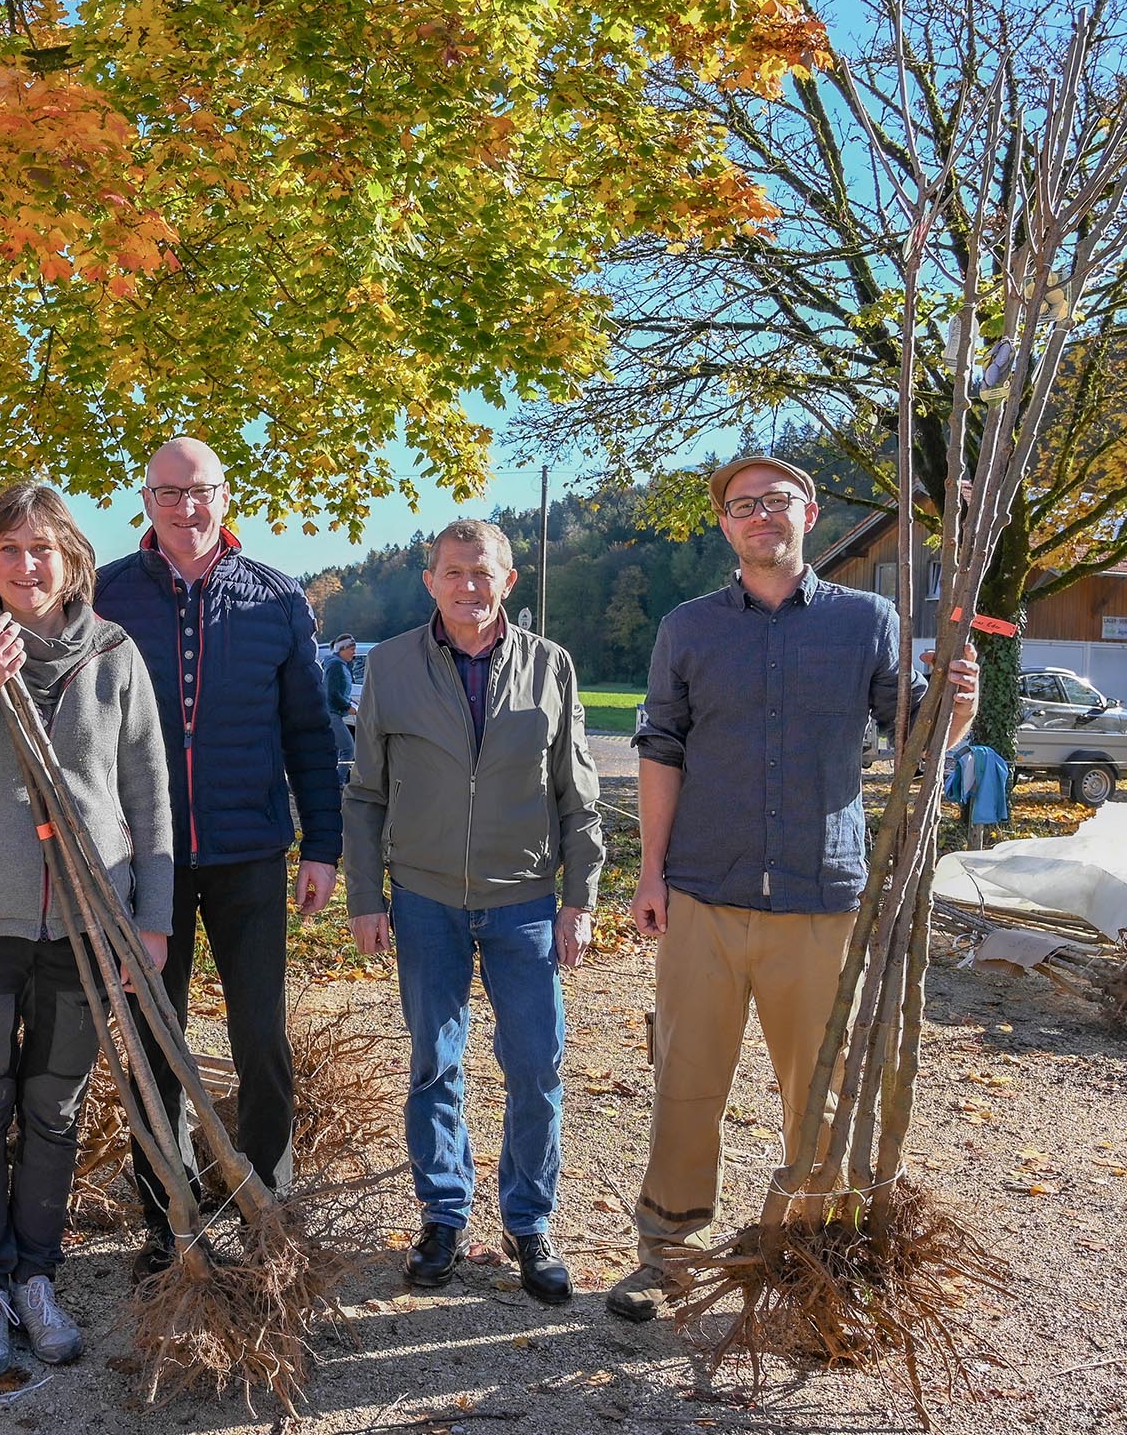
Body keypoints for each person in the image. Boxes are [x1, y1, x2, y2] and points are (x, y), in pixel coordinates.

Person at [607, 455, 980, 1323]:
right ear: (726, 525)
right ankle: (667, 1254)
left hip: (823, 898)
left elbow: (916, 740)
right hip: (704, 889)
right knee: (687, 1078)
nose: (761, 516)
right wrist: (651, 873)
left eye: (777, 500)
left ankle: (815, 1261)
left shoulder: (868, 621)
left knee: (819, 1088)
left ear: (807, 512)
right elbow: (660, 749)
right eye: (743, 506)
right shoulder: (688, 628)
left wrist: (956, 712)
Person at [0, 484, 173, 1377]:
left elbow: (150, 798)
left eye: (42, 548)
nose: (26, 565)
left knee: (53, 1110)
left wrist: (152, 920)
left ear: (72, 559)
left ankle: (36, 1276)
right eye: (7, 550)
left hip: (87, 928)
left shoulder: (114, 653)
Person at [94, 436, 341, 1278]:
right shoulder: (107, 596)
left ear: (224, 496)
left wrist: (325, 845)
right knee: (155, 1041)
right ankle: (167, 1214)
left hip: (248, 852)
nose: (186, 508)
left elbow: (312, 731)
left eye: (199, 492)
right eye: (169, 492)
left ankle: (266, 1201)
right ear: (147, 498)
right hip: (143, 859)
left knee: (258, 1037)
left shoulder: (275, 600)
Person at [343, 519, 603, 1304]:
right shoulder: (390, 666)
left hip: (523, 902)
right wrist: (365, 897)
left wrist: (579, 899)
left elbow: (580, 796)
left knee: (536, 1065)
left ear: (509, 581)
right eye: (453, 572)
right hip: (424, 900)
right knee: (434, 1063)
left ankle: (529, 1222)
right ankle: (444, 1216)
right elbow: (364, 795)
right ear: (431, 580)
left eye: (482, 572)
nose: (468, 587)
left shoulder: (550, 666)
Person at [324, 633, 359, 780]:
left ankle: (333, 780)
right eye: (351, 649)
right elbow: (332, 693)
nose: (354, 653)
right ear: (342, 649)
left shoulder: (339, 664)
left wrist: (349, 701)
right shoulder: (336, 665)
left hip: (334, 712)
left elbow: (338, 690)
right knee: (348, 748)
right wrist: (347, 707)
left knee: (338, 749)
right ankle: (338, 782)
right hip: (333, 713)